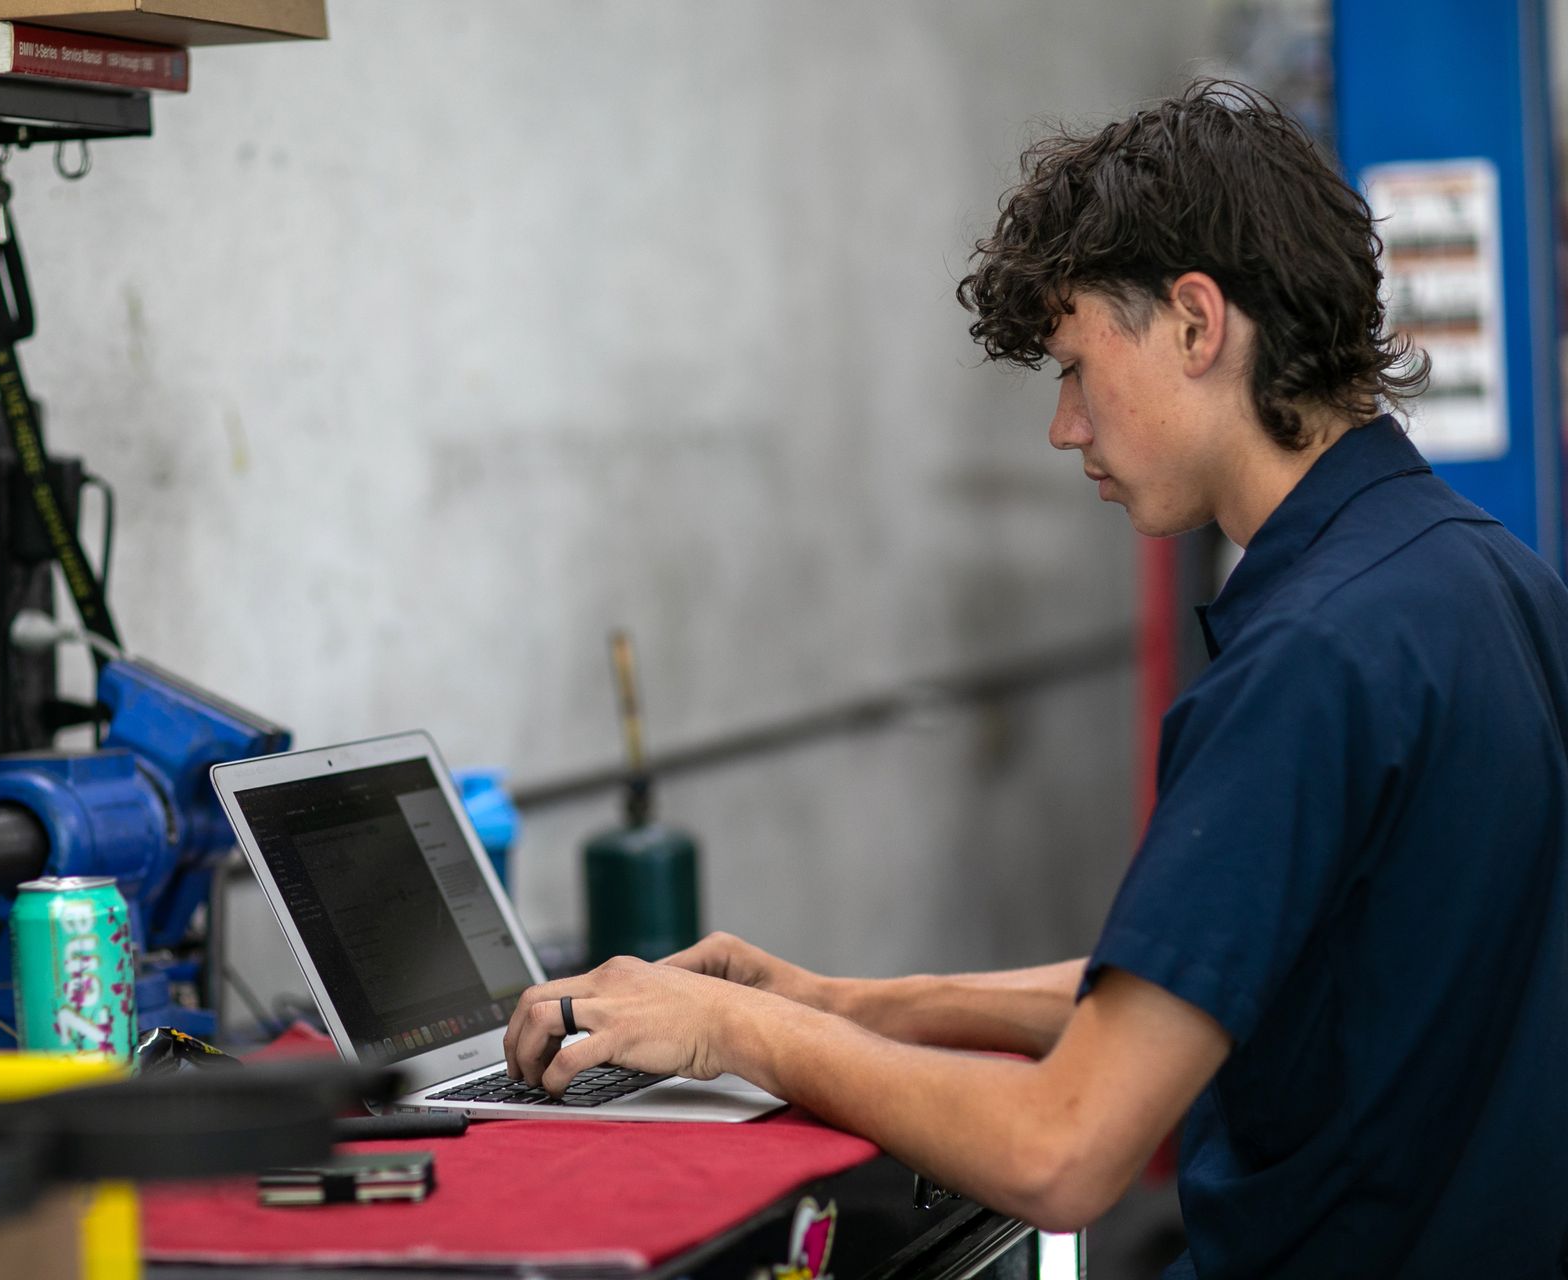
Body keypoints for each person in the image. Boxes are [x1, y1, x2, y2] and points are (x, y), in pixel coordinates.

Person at [503, 81, 1568, 1278]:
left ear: (1195, 324)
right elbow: (1208, 991)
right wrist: (836, 1001)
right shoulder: (1486, 578)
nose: (1066, 428)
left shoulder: (1310, 660)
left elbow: (1065, 1147)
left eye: (1074, 366)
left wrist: (731, 1027)